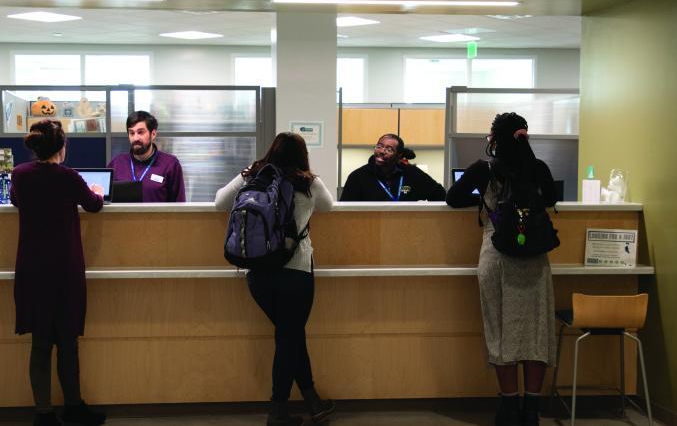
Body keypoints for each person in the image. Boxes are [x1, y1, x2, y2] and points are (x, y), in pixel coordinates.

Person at [214, 133, 336, 426]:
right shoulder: (307, 182)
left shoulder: (252, 176)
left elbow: (220, 202)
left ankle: (313, 400)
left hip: (257, 273)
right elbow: (329, 206)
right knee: (288, 337)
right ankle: (278, 411)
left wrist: (250, 178)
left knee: (291, 336)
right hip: (296, 270)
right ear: (302, 155)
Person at [445, 112, 559, 426]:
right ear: (524, 136)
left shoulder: (484, 170)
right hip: (534, 257)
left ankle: (509, 408)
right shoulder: (537, 168)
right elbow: (551, 197)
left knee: (500, 331)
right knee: (536, 332)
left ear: (495, 138)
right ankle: (532, 410)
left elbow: (452, 198)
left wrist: (483, 199)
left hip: (496, 255)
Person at [10, 119, 106, 426]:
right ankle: (74, 408)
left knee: (40, 343)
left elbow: (15, 200)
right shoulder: (70, 178)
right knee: (67, 341)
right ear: (61, 148)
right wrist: (96, 191)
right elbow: (93, 205)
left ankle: (44, 414)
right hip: (64, 269)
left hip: (32, 269)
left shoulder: (20, 175)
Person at [339, 133, 446, 202]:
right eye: (379, 146)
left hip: (407, 230)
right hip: (371, 230)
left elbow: (440, 195)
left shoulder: (413, 174)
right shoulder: (358, 177)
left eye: (389, 149)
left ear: (399, 155)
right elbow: (345, 210)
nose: (381, 151)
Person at [107, 110, 186, 202]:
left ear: (153, 134)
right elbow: (104, 199)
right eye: (132, 133)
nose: (135, 138)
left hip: (158, 216)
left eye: (140, 132)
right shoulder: (117, 163)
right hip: (124, 216)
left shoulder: (170, 164)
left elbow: (179, 204)